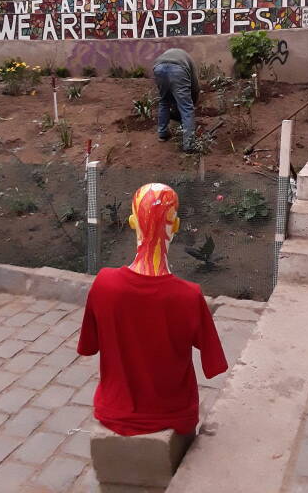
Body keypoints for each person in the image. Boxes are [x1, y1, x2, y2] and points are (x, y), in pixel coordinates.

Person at [78, 183, 227, 436]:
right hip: (174, 416)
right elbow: (213, 365)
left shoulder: (104, 284)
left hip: (113, 411)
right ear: (176, 226)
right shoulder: (189, 296)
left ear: (132, 222)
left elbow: (88, 347)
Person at [153, 47, 200, 153]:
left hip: (158, 67)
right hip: (178, 69)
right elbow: (195, 87)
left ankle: (162, 133)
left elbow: (171, 93)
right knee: (186, 107)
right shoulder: (189, 61)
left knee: (164, 101)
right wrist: (193, 102)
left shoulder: (172, 53)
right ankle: (189, 144)